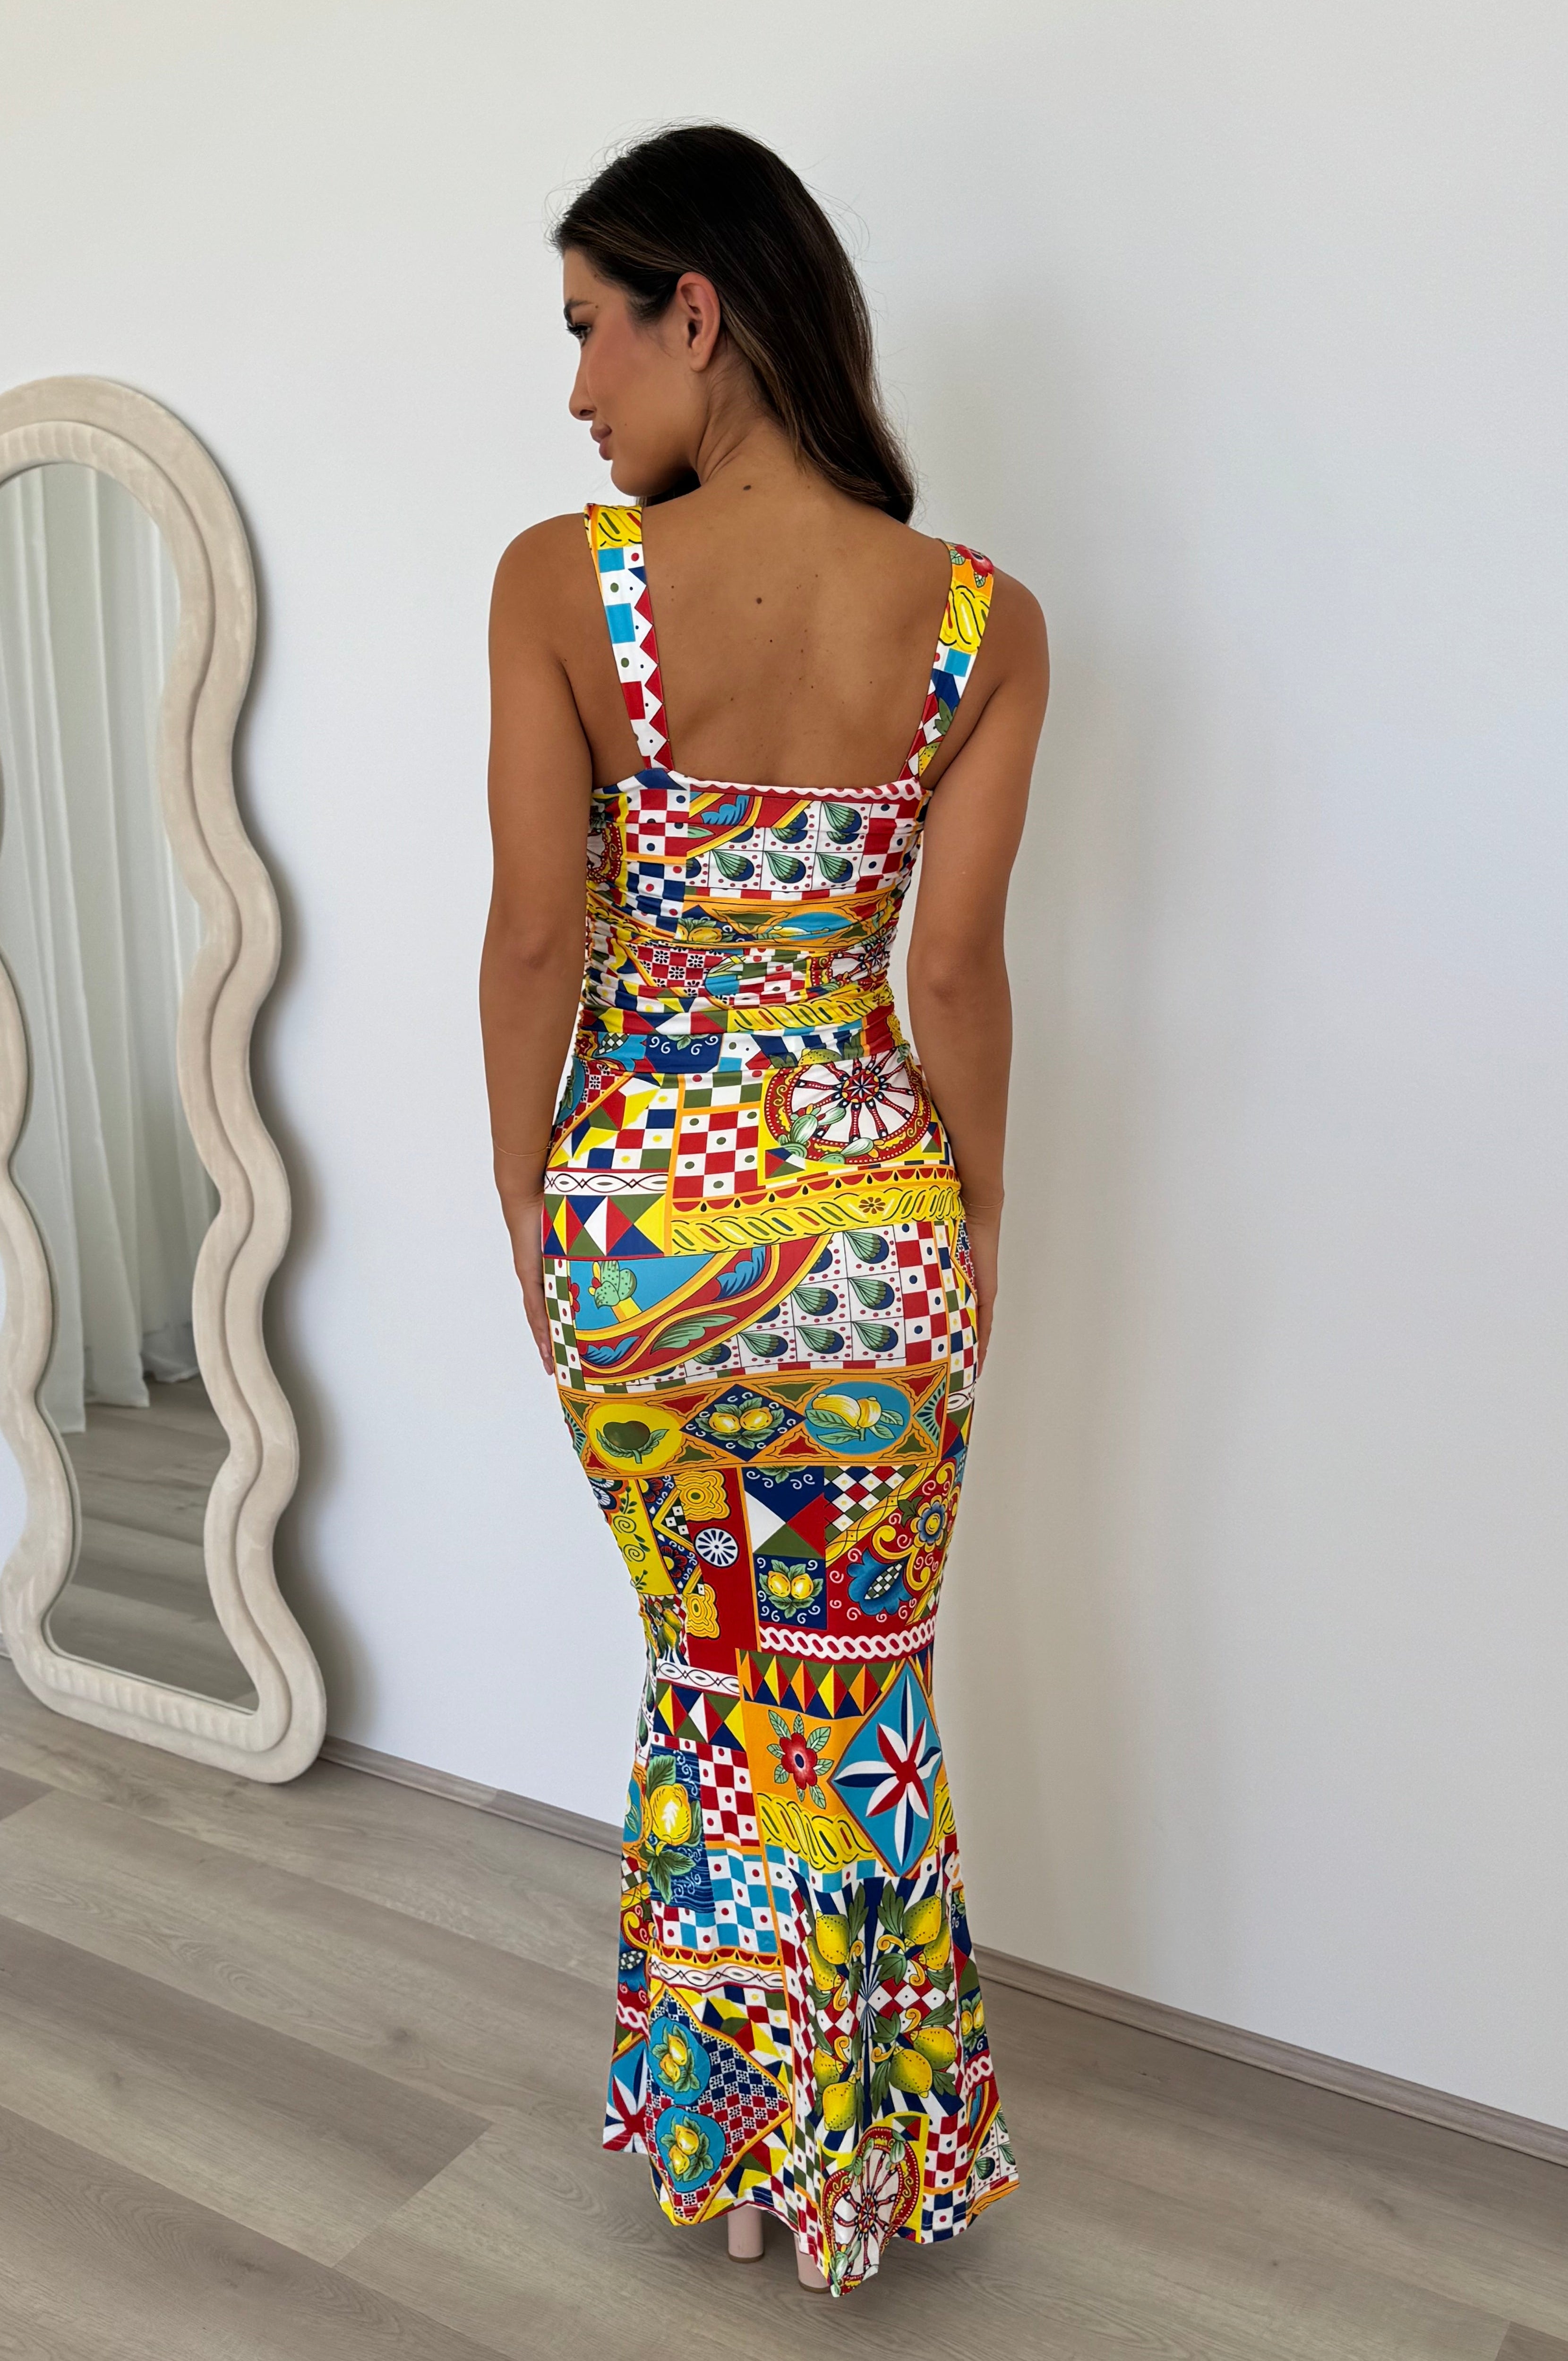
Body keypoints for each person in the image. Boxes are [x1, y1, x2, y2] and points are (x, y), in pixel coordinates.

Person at [480, 124, 1047, 2298]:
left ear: (695, 312)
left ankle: (726, 2151)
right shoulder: (976, 623)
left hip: (641, 1232)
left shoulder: (562, 588)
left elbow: (535, 938)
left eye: (588, 330)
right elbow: (951, 977)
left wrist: (527, 1205)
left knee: (713, 1684)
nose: (574, 390)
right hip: (869, 1243)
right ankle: (851, 2184)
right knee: (851, 1696)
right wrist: (972, 1225)